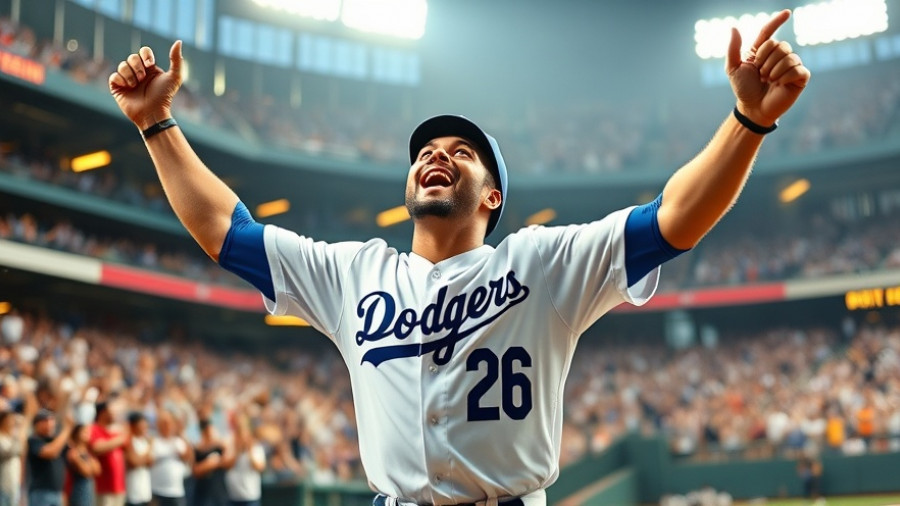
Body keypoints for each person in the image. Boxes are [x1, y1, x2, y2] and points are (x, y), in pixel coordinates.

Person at [108, 10, 810, 505]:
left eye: (461, 152)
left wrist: (749, 121)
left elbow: (674, 219)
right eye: (425, 153)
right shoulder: (353, 273)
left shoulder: (543, 264)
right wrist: (155, 123)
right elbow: (225, 233)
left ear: (493, 196)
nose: (437, 156)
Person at [27, 410, 73, 506]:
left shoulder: (56, 441)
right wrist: (67, 430)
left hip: (58, 492)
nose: (49, 424)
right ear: (36, 424)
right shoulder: (34, 440)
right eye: (44, 421)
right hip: (40, 492)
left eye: (51, 420)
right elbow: (51, 453)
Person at [90, 401, 128, 506]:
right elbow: (97, 448)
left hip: (118, 486)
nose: (114, 415)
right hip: (103, 487)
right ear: (103, 413)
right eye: (111, 412)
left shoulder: (115, 432)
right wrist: (119, 439)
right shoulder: (94, 429)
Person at [149, 410, 191, 506]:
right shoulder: (154, 441)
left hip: (176, 491)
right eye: (163, 423)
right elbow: (149, 461)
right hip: (157, 491)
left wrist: (182, 434)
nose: (166, 426)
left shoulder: (178, 441)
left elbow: (188, 458)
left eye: (168, 423)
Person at [222, 419, 265, 506]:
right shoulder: (230, 447)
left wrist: (249, 452)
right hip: (233, 497)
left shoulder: (256, 448)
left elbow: (260, 467)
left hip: (251, 497)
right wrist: (238, 451)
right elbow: (226, 465)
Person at [192, 419, 227, 506]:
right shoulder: (198, 451)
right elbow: (196, 471)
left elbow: (227, 461)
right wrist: (209, 464)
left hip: (218, 495)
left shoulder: (220, 448)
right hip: (203, 496)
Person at [66, 424, 101, 506]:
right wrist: (89, 465)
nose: (87, 434)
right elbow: (86, 471)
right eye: (84, 432)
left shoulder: (87, 452)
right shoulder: (73, 452)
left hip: (89, 491)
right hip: (78, 491)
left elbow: (97, 470)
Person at [124, 412, 153, 506]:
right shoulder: (129, 440)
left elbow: (151, 462)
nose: (145, 427)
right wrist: (149, 448)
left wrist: (142, 459)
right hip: (132, 492)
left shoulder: (145, 441)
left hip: (145, 492)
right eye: (142, 424)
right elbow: (134, 462)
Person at [0, 410, 26, 506]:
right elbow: (10, 452)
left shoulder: (11, 438)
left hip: (14, 484)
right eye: (10, 419)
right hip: (2, 485)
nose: (12, 422)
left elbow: (21, 451)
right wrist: (20, 429)